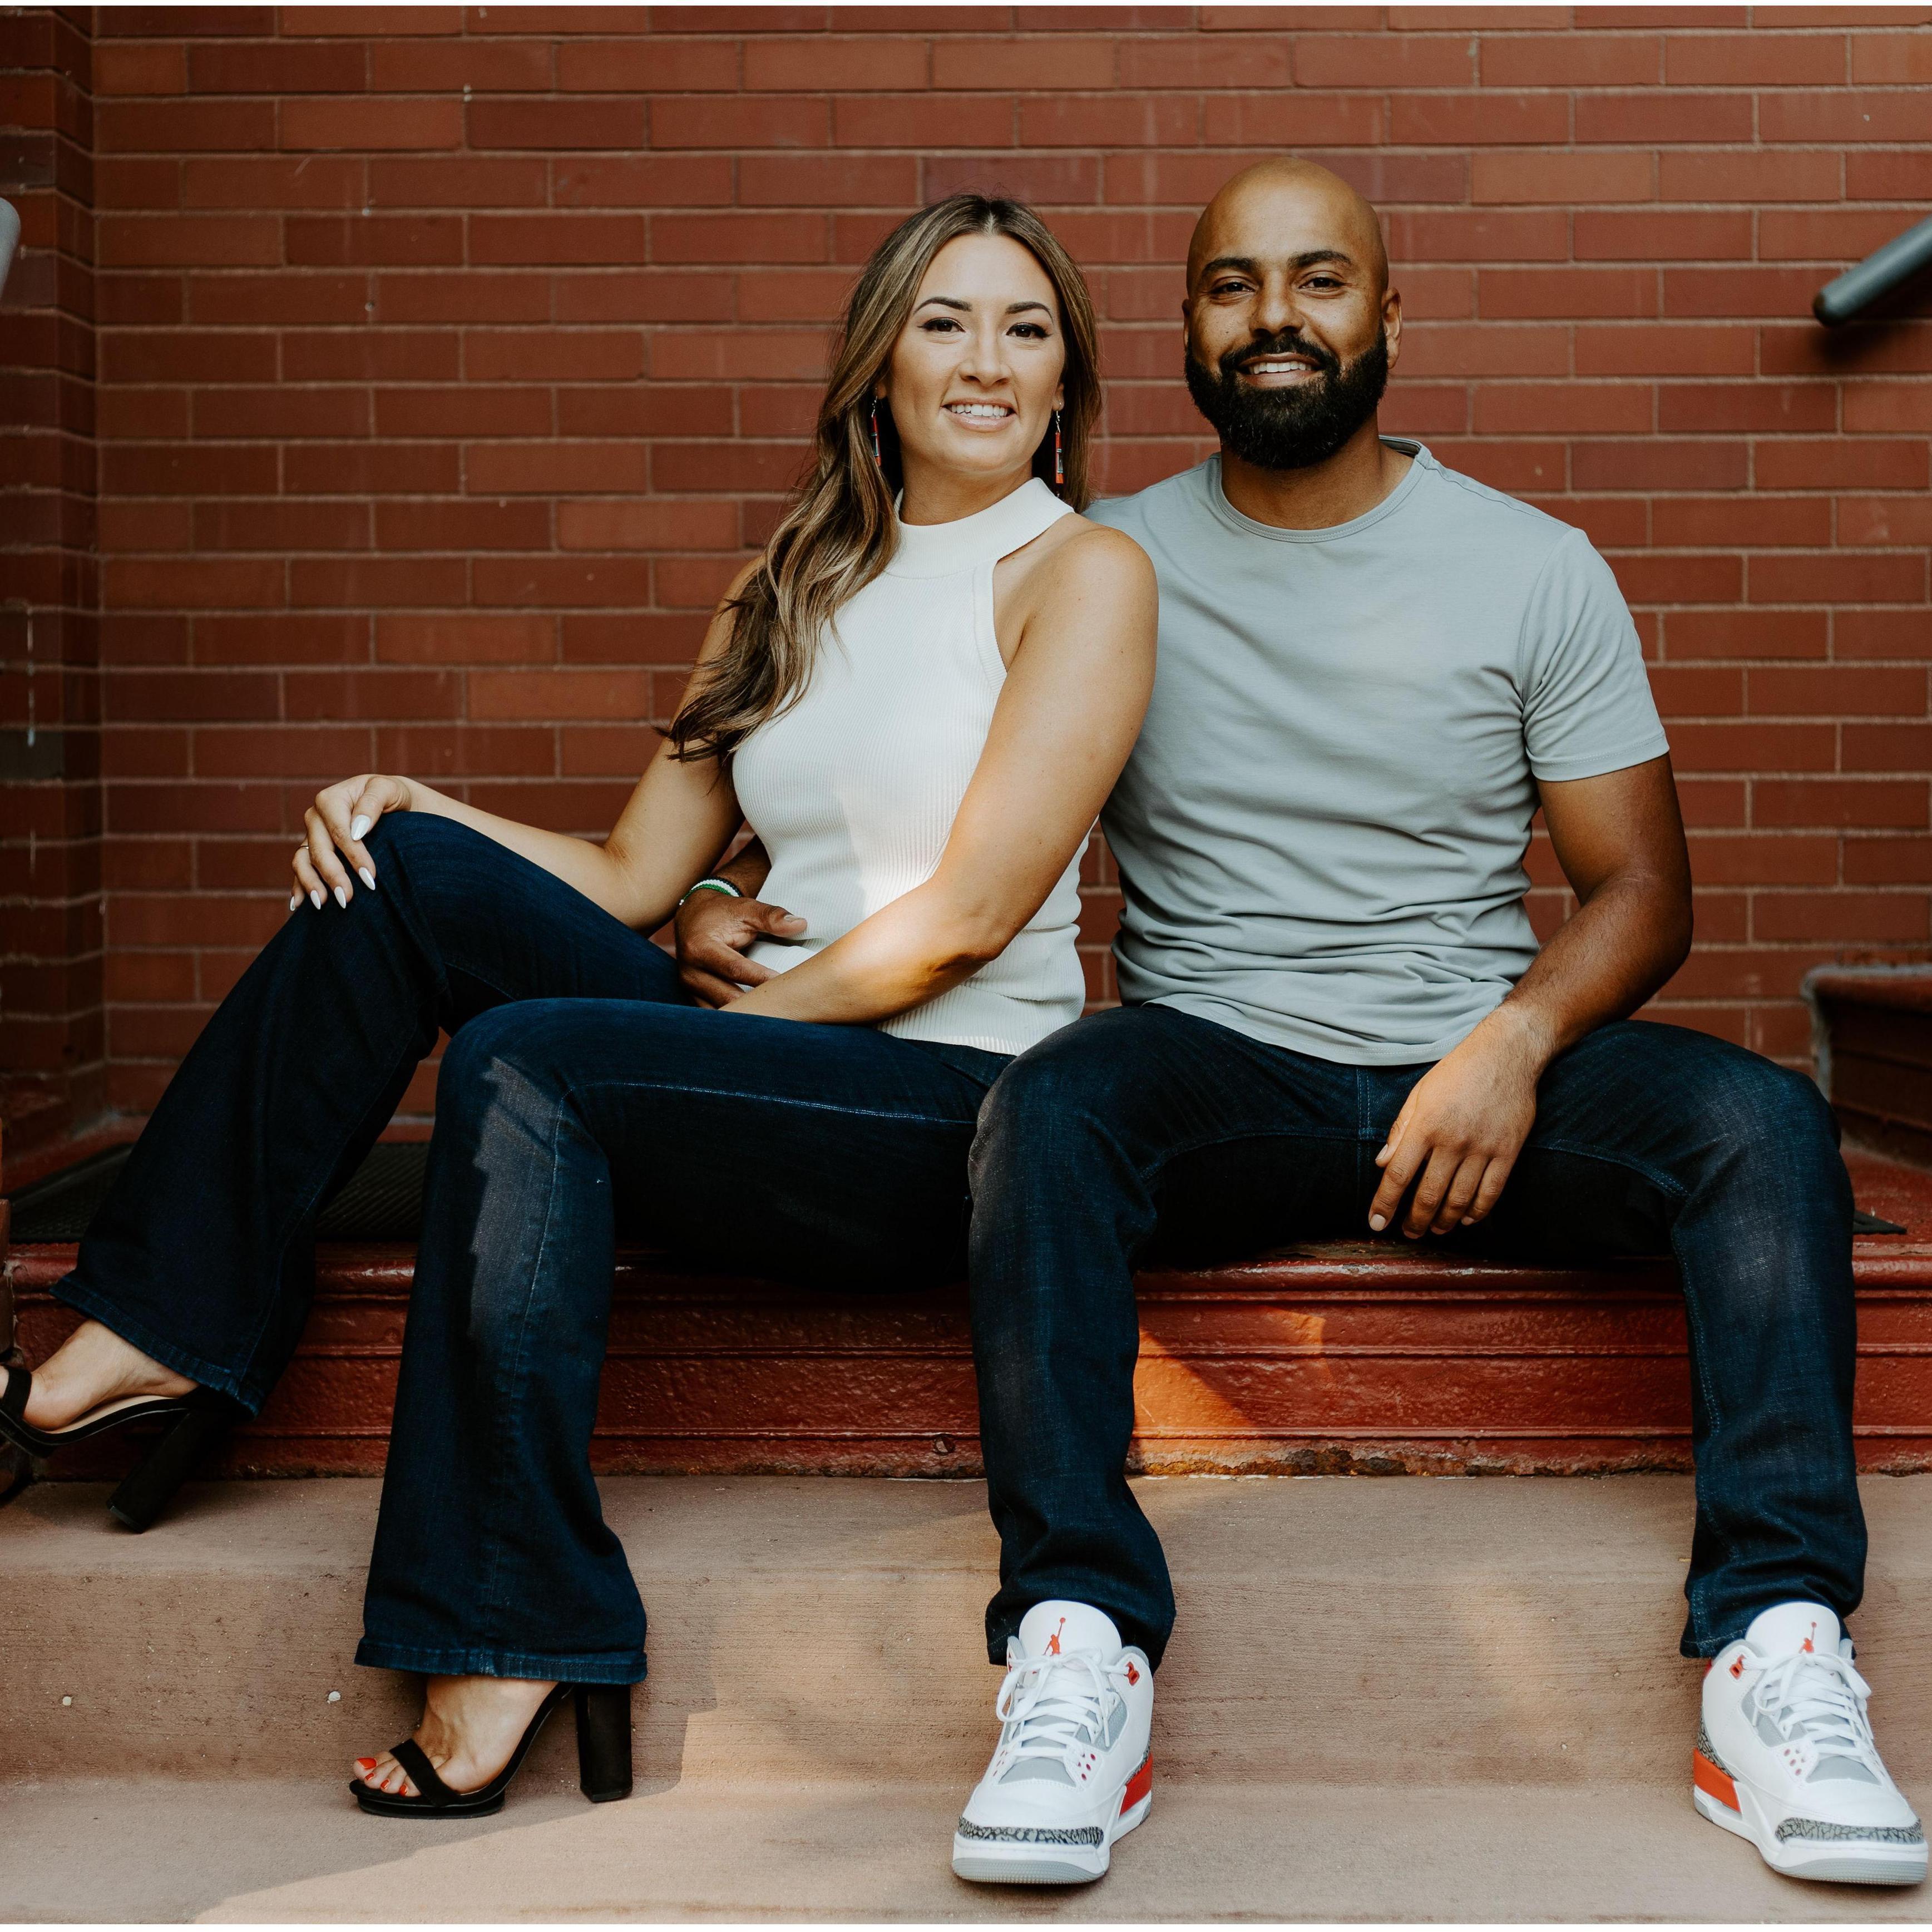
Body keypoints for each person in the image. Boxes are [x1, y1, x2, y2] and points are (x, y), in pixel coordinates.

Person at [675, 160, 1925, 1889]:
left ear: (1387, 317)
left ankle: (1775, 1651)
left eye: (1318, 280)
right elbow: (873, 753)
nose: (1274, 318)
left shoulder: (1529, 565)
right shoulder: (1095, 564)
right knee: (1050, 1102)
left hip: (1476, 1066)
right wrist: (724, 892)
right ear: (1182, 329)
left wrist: (1508, 1043)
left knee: (1759, 1125)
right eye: (1229, 286)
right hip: (1218, 1075)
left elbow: (1639, 889)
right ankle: (1074, 1648)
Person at [0, 193, 1156, 1821]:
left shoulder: (1084, 573)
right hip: (757, 1062)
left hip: (947, 1113)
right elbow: (629, 873)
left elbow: (963, 921)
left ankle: (514, 1613)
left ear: (1065, 382)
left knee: (530, 1058)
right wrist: (428, 809)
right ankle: (154, 1327)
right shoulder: (788, 580)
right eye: (945, 321)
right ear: (877, 362)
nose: (984, 361)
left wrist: (716, 1039)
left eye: (1024, 329)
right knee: (397, 871)